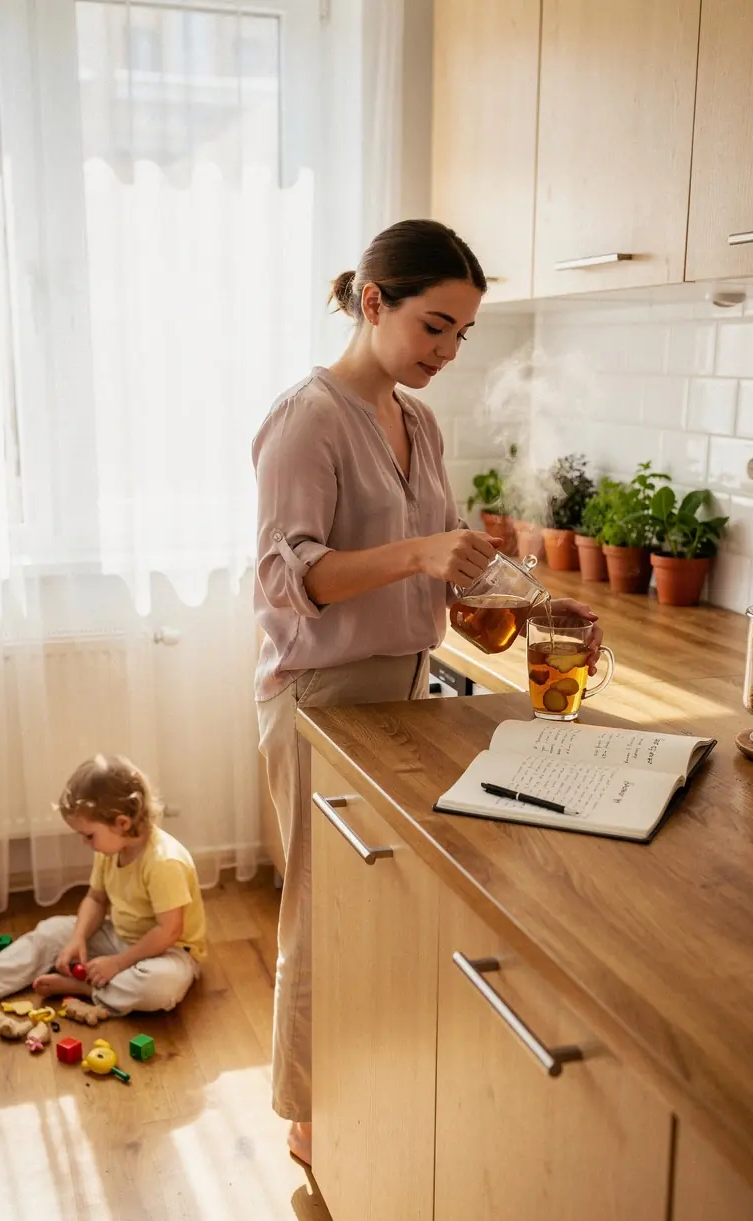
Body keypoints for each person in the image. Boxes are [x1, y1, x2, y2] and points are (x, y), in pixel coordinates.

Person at [253, 219, 603, 1166]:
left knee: (385, 909)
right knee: (323, 914)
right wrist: (419, 551)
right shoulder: (308, 417)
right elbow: (290, 581)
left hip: (403, 689)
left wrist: (542, 607)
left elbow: (453, 562)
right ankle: (308, 1115)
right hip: (323, 697)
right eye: (434, 327)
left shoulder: (420, 419)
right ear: (374, 303)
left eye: (462, 336)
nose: (447, 352)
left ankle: (373, 1092)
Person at [0, 754, 207, 1014]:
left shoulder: (164, 862)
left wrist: (117, 963)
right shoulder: (110, 850)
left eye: (89, 835)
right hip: (119, 935)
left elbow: (169, 931)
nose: (85, 843)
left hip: (168, 952)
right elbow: (96, 899)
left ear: (122, 823)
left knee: (159, 986)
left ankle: (83, 988)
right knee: (51, 931)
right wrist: (77, 939)